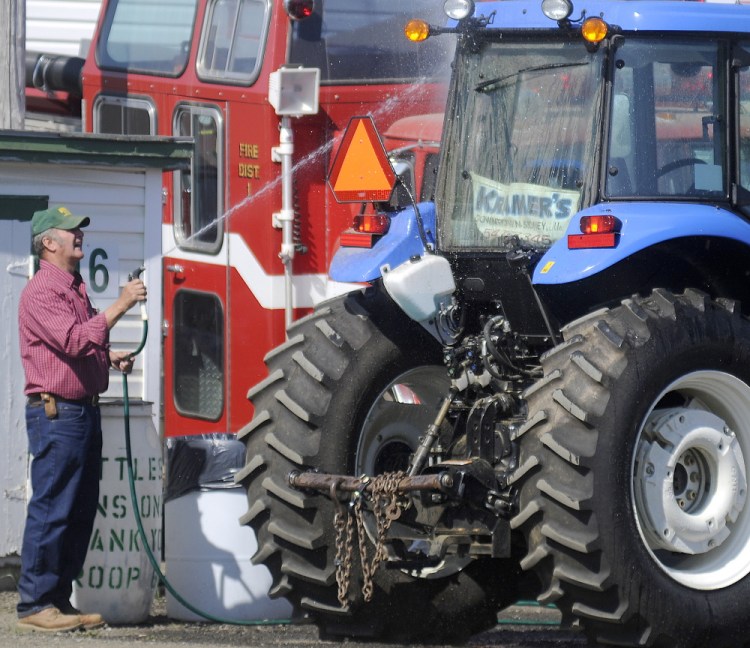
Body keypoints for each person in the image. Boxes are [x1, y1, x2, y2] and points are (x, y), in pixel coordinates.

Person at [15, 206, 147, 633]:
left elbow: (76, 340)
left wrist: (107, 357)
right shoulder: (41, 291)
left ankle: (55, 600)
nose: (79, 236)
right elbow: (73, 340)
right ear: (48, 243)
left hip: (79, 411)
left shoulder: (72, 288)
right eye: (71, 231)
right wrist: (123, 303)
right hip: (59, 414)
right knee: (54, 507)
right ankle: (35, 603)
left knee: (79, 508)